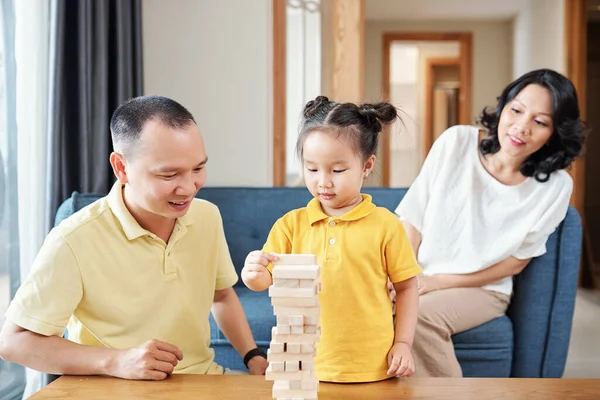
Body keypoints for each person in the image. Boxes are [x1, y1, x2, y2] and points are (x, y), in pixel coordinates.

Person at [0, 96, 268, 380]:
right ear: (121, 168)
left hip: (204, 380)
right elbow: (13, 343)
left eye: (198, 169)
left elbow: (222, 295)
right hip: (116, 388)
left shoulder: (207, 217)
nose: (190, 187)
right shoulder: (73, 239)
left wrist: (253, 357)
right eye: (169, 175)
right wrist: (116, 361)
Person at [389, 68, 586, 377]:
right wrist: (402, 276)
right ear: (503, 107)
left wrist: (436, 282)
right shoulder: (456, 141)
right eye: (516, 110)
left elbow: (515, 263)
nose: (521, 127)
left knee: (418, 317)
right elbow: (413, 218)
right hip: (417, 274)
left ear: (555, 132)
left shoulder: (555, 186)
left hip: (483, 290)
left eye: (540, 121)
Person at [241, 96, 422, 383]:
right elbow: (265, 281)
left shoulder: (386, 225)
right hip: (304, 367)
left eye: (337, 170)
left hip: (372, 368)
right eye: (312, 169)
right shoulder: (290, 225)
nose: (323, 181)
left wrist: (403, 343)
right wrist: (253, 272)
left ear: (366, 165)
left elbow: (407, 288)